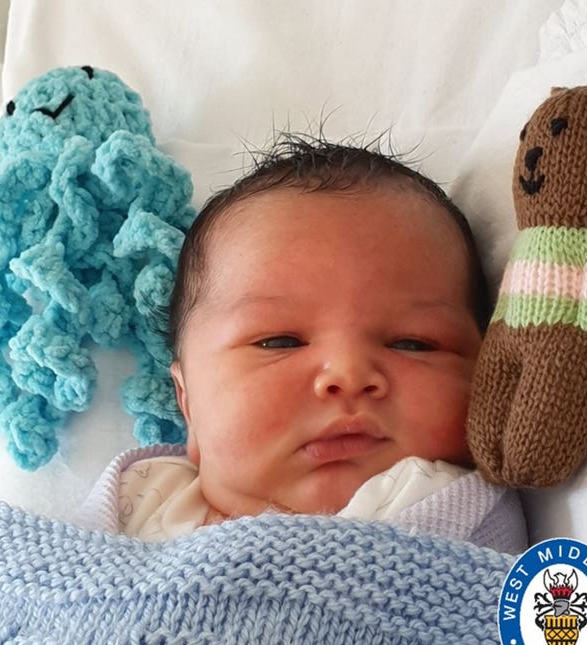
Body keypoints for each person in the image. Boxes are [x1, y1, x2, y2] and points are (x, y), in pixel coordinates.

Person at [81, 134, 527, 552]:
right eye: (280, 341)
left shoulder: (450, 502)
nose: (348, 374)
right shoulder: (136, 499)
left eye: (413, 344)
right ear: (188, 403)